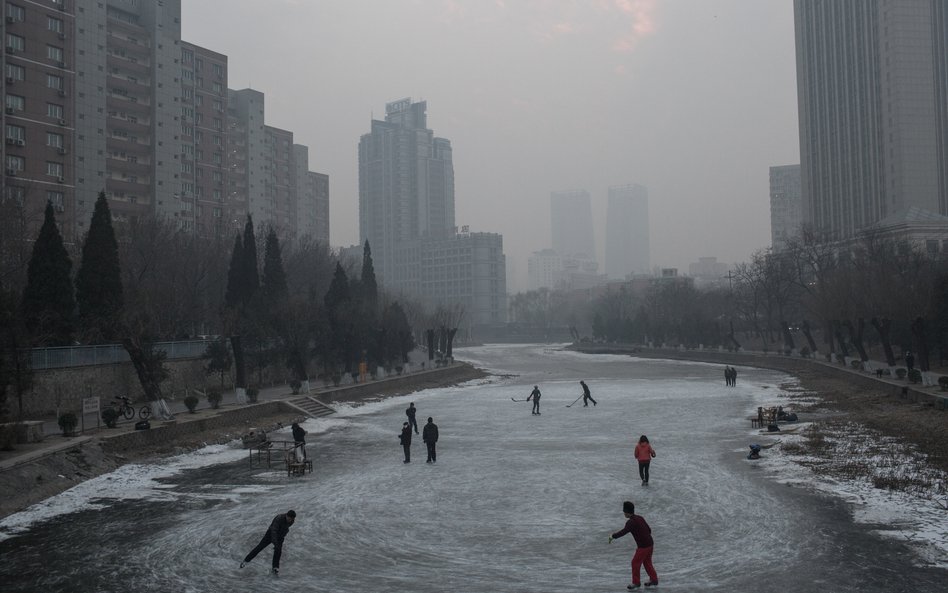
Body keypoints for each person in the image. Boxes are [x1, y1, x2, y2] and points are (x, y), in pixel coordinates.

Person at [609, 501, 658, 589]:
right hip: (650, 544)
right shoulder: (640, 518)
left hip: (643, 547)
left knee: (635, 563)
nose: (624, 513)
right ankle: (654, 580)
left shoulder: (631, 522)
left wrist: (613, 536)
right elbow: (649, 529)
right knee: (647, 562)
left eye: (624, 512)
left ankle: (636, 583)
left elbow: (623, 532)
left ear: (627, 512)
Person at [240, 510, 296, 575]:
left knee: (278, 551)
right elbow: (274, 531)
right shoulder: (279, 518)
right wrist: (275, 543)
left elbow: (285, 529)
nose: (290, 520)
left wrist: (281, 539)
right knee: (259, 547)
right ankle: (245, 561)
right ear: (286, 515)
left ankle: (275, 568)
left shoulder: (292, 521)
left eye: (291, 519)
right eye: (289, 519)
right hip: (270, 534)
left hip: (280, 536)